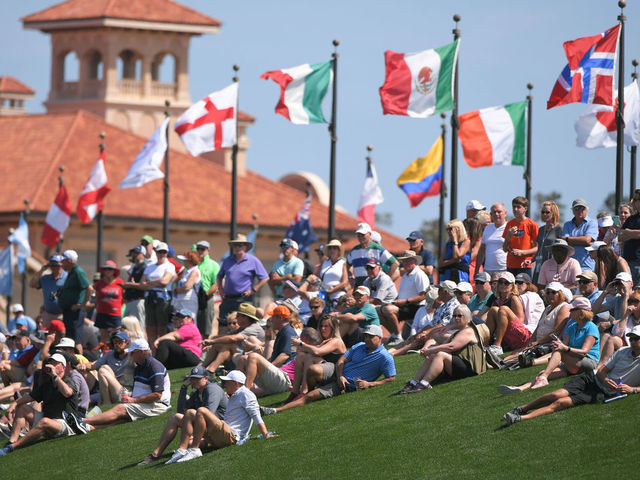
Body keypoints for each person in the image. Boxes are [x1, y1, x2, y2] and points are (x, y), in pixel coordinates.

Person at [502, 325, 640, 427]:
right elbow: (603, 370)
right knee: (555, 395)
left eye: (636, 339)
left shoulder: (588, 328)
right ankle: (522, 408)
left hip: (603, 391)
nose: (632, 341)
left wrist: (633, 389)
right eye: (631, 338)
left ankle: (521, 418)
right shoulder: (623, 351)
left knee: (562, 402)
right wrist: (606, 379)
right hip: (592, 378)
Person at [261, 325, 395, 415]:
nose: (366, 339)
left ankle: (275, 410)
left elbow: (391, 378)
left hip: (347, 384)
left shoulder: (385, 357)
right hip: (337, 372)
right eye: (365, 336)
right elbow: (341, 360)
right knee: (312, 368)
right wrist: (340, 376)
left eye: (370, 336)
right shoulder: (360, 346)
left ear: (380, 338)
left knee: (311, 396)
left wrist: (370, 384)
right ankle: (301, 391)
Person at [499, 297, 599, 394]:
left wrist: (564, 348)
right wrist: (559, 345)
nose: (570, 312)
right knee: (543, 372)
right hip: (573, 362)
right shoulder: (572, 326)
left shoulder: (591, 327)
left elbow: (584, 352)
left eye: (572, 310)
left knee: (559, 352)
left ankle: (542, 377)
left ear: (581, 312)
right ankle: (521, 387)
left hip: (588, 361)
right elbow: (564, 345)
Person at [138, 365, 227, 466]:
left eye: (197, 378)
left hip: (219, 429)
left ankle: (192, 447)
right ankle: (155, 454)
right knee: (174, 417)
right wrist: (184, 388)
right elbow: (181, 411)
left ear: (206, 378)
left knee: (192, 417)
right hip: (207, 428)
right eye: (192, 378)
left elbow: (208, 413)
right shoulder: (196, 393)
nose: (194, 381)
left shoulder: (212, 389)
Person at [394, 305, 486, 394]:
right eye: (454, 316)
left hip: (470, 368)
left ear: (466, 317)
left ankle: (425, 383)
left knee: (441, 354)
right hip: (460, 363)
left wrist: (430, 350)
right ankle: (414, 382)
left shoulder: (468, 331)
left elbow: (451, 347)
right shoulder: (458, 332)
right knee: (432, 356)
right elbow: (445, 345)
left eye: (459, 316)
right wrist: (429, 350)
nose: (456, 318)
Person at [0, 354, 79, 456]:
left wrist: (55, 376)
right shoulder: (47, 385)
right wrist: (14, 404)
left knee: (44, 421)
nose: (51, 365)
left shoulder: (68, 381)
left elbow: (67, 393)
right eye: (50, 362)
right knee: (23, 408)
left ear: (63, 367)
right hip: (49, 422)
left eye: (55, 363)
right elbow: (30, 397)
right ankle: (12, 441)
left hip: (66, 424)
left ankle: (13, 447)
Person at [83, 338, 171, 430]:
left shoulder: (154, 367)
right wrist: (132, 399)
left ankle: (83, 421)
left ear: (141, 352)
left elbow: (157, 395)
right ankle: (89, 427)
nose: (130, 355)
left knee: (120, 409)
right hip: (147, 403)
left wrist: (133, 400)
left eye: (132, 353)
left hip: (158, 405)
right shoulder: (139, 367)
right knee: (122, 418)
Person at [238, 305, 296, 396]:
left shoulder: (288, 332)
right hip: (280, 375)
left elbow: (285, 355)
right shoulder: (283, 331)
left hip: (285, 377)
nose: (271, 320)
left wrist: (268, 367)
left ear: (280, 318)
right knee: (243, 359)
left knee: (253, 357)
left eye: (273, 317)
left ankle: (245, 392)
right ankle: (239, 389)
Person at [216, 234, 269, 330]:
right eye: (235, 245)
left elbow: (265, 278)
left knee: (244, 327)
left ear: (245, 247)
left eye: (240, 245)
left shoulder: (253, 260)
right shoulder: (228, 260)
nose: (237, 247)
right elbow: (219, 277)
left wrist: (253, 290)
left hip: (244, 299)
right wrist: (221, 291)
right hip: (228, 299)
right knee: (223, 326)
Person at [288, 315, 346, 400]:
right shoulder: (325, 340)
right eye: (321, 326)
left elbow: (317, 352)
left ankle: (304, 391)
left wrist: (301, 343)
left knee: (309, 357)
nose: (323, 329)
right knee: (301, 356)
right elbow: (314, 350)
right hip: (327, 370)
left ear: (333, 328)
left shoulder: (336, 341)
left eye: (326, 326)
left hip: (336, 372)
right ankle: (294, 392)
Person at [381, 250, 429, 346]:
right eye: (404, 261)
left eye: (408, 261)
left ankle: (397, 336)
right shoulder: (405, 275)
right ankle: (395, 335)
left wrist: (405, 301)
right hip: (406, 306)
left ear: (414, 261)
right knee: (378, 310)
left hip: (416, 307)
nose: (405, 263)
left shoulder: (419, 274)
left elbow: (424, 295)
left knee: (388, 310)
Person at [201, 303, 265, 374]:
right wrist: (211, 343)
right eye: (229, 323)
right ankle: (203, 369)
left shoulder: (253, 327)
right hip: (241, 357)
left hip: (252, 359)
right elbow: (225, 337)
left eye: (238, 316)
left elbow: (233, 338)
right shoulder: (242, 328)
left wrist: (212, 341)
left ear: (245, 317)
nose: (236, 319)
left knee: (229, 345)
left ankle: (208, 370)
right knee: (221, 346)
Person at [76, 330, 134, 405]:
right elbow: (94, 365)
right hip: (110, 389)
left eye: (120, 342)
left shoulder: (132, 356)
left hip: (125, 393)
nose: (116, 344)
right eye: (114, 342)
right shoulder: (110, 354)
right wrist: (83, 365)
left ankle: (106, 403)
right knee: (103, 368)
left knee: (103, 370)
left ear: (127, 343)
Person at [485, 272, 527, 355]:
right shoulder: (497, 300)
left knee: (503, 309)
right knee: (493, 310)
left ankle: (497, 346)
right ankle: (485, 344)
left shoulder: (514, 298)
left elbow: (520, 323)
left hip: (518, 335)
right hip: (505, 333)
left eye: (506, 283)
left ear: (512, 285)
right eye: (500, 282)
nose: (503, 285)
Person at [58, 250, 91, 354]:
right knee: (70, 339)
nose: (61, 264)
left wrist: (82, 304)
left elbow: (89, 288)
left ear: (69, 261)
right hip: (69, 311)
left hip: (75, 312)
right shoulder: (71, 272)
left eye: (63, 261)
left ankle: (78, 362)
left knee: (76, 340)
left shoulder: (78, 271)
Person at [597, 290, 640, 369]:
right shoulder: (629, 317)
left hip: (637, 343)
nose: (632, 304)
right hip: (630, 342)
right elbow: (617, 332)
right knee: (606, 336)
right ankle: (598, 363)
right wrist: (626, 315)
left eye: (636, 301)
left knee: (612, 339)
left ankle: (602, 366)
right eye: (630, 301)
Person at [347, 222, 398, 287]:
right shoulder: (354, 250)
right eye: (358, 235)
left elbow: (395, 263)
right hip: (358, 288)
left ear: (370, 234)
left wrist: (383, 280)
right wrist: (350, 277)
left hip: (373, 288)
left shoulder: (377, 248)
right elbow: (348, 264)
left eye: (363, 234)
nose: (360, 237)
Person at [502, 196, 538, 277]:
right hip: (511, 265)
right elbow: (504, 248)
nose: (515, 209)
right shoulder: (510, 224)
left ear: (525, 209)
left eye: (518, 207)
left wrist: (522, 252)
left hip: (525, 264)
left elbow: (537, 248)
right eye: (514, 207)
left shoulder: (532, 224)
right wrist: (508, 236)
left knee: (524, 288)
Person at [29, 254, 68, 326]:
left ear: (62, 264)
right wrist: (42, 270)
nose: (54, 266)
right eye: (52, 264)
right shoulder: (46, 278)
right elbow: (32, 284)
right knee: (46, 335)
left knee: (61, 336)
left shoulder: (67, 277)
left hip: (62, 315)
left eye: (56, 264)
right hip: (48, 315)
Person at [562, 198, 598, 271]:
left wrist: (568, 239)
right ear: (572, 211)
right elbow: (565, 243)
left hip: (587, 267)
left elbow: (587, 240)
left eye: (582, 208)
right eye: (577, 208)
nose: (579, 210)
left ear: (587, 210)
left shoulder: (592, 223)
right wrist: (583, 241)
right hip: (570, 267)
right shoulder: (567, 224)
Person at [532, 200, 563, 285]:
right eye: (543, 212)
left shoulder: (559, 229)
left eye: (547, 212)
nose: (544, 214)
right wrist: (531, 259)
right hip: (539, 265)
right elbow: (538, 248)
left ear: (553, 213)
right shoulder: (541, 229)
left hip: (552, 266)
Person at [93, 260, 125, 344]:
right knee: (103, 338)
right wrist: (97, 308)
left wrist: (117, 307)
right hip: (102, 313)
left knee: (117, 336)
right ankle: (104, 354)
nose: (107, 271)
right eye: (105, 269)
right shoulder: (100, 283)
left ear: (114, 271)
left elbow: (123, 298)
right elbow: (96, 298)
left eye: (110, 269)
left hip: (115, 314)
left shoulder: (120, 282)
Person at [194, 240, 219, 338]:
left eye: (202, 249)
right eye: (198, 249)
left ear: (208, 251)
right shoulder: (195, 264)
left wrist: (206, 294)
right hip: (194, 298)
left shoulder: (213, 265)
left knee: (205, 328)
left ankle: (203, 352)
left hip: (206, 298)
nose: (200, 251)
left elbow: (216, 283)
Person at [316, 239, 349, 308]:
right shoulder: (324, 262)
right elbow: (318, 278)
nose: (332, 250)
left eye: (334, 248)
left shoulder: (343, 263)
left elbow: (345, 282)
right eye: (330, 248)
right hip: (323, 295)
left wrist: (331, 291)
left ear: (339, 250)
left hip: (338, 295)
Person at [172, 251, 202, 327]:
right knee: (181, 323)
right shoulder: (187, 272)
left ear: (190, 261)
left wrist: (176, 290)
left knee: (189, 322)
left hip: (189, 301)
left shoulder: (194, 271)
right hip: (182, 301)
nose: (183, 262)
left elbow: (187, 287)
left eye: (185, 260)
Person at [477, 202, 508, 275]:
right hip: (488, 269)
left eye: (499, 212)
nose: (496, 214)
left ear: (505, 213)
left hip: (504, 269)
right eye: (494, 212)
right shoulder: (487, 228)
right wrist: (477, 269)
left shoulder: (510, 227)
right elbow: (482, 250)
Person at [122, 245, 147, 331]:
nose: (134, 255)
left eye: (137, 253)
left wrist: (130, 285)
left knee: (138, 329)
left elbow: (144, 285)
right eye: (133, 253)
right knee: (127, 328)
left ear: (143, 254)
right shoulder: (135, 267)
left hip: (138, 300)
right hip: (130, 301)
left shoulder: (144, 267)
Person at [619, 191, 640, 285]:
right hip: (628, 261)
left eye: (635, 199)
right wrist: (634, 234)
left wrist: (628, 232)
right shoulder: (631, 219)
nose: (632, 202)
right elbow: (620, 236)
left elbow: (625, 233)